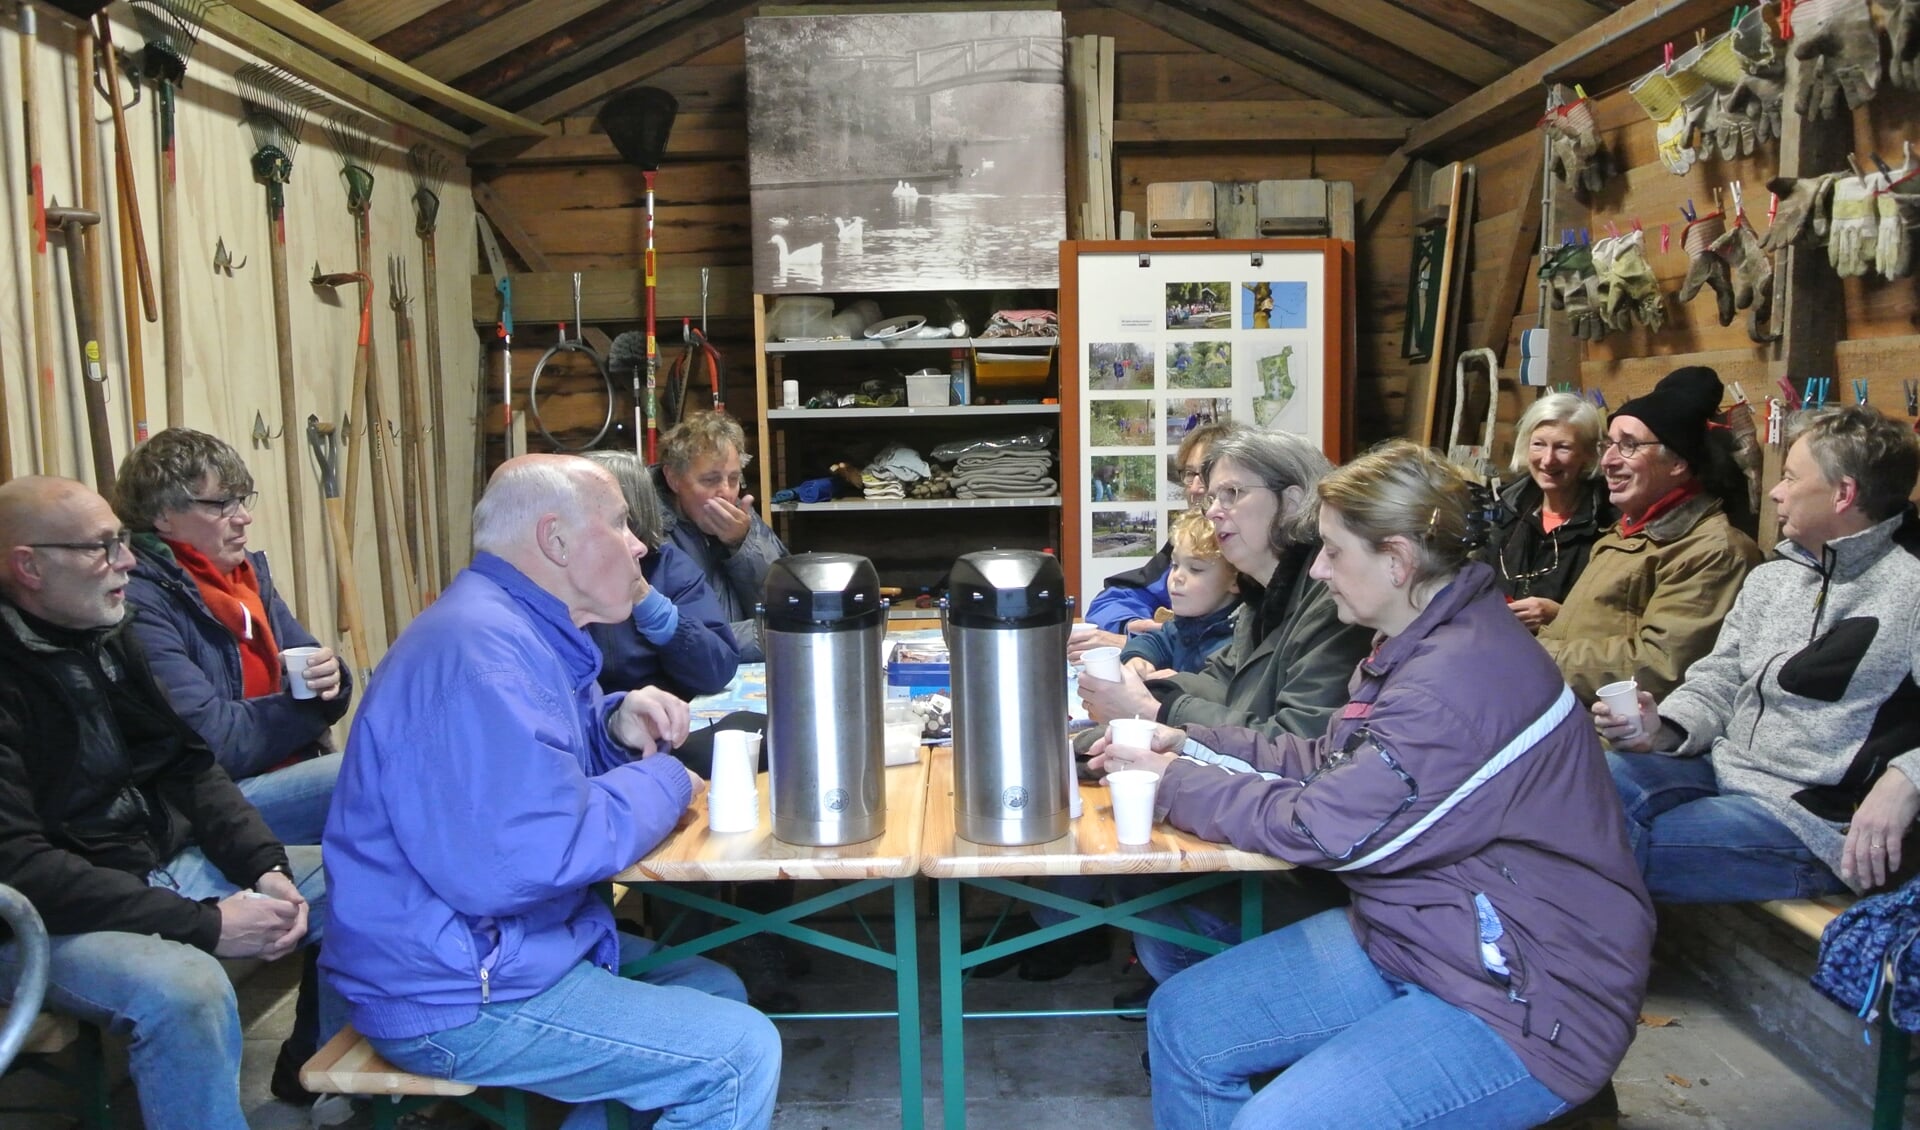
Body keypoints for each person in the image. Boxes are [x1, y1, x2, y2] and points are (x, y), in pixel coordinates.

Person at [1098, 441, 1653, 1128]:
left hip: (1524, 998)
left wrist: (1175, 782)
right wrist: (1193, 741)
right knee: (1186, 1023)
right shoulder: (1416, 644)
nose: (1320, 570)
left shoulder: (1457, 682)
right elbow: (1327, 758)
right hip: (1418, 938)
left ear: (1396, 560)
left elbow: (1324, 826)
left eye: (1334, 551)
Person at [321, 454, 780, 1129]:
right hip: (459, 990)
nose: (640, 544)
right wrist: (664, 777)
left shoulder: (518, 629)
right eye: (621, 524)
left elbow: (530, 771)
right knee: (737, 1054)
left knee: (713, 985)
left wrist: (611, 728)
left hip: (499, 948)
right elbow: (528, 855)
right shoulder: (480, 653)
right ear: (556, 541)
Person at [0, 476, 333, 1130]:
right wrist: (204, 922)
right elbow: (22, 868)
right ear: (28, 566)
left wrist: (266, 868)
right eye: (102, 548)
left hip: (150, 868)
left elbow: (188, 762)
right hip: (39, 921)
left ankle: (322, 1086)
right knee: (187, 990)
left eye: (120, 542)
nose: (127, 561)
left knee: (368, 880)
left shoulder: (106, 629)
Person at [1600, 406, 1920, 902]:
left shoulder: (1911, 586)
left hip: (1809, 815)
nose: (1775, 490)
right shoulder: (1775, 577)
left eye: (1790, 477)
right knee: (1579, 791)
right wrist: (1663, 727)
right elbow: (1720, 680)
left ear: (1844, 493)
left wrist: (1907, 778)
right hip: (1722, 767)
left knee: (1611, 845)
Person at [115, 427, 352, 848]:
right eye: (221, 504)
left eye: (241, 500)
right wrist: (312, 708)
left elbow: (316, 666)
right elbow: (214, 742)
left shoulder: (246, 578)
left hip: (284, 768)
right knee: (378, 775)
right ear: (163, 515)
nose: (243, 517)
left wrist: (334, 678)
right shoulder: (141, 599)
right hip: (211, 805)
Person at [1078, 428, 1373, 740]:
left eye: (1232, 493)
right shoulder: (1261, 591)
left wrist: (1152, 710)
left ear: (1292, 502)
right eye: (1212, 498)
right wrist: (1139, 691)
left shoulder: (1335, 600)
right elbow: (1221, 682)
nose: (1214, 512)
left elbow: (1297, 740)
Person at [1537, 366, 1763, 702]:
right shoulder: (1623, 534)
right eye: (1608, 445)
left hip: (1619, 736)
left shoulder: (1714, 551)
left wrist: (1536, 657)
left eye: (1629, 445)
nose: (1609, 461)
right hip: (1567, 710)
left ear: (1677, 463)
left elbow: (1656, 667)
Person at [583, 449, 741, 702]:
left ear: (631, 513)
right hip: (589, 724)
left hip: (663, 719)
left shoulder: (668, 567)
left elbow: (718, 669)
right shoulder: (559, 571)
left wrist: (648, 603)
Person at [1078, 421, 1235, 652]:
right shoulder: (1186, 544)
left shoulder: (1255, 557)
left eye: (1206, 474)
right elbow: (1114, 599)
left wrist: (1136, 645)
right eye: (1190, 474)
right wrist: (1129, 627)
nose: (1194, 488)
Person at [654, 411, 788, 663]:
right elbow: (686, 637)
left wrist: (742, 544)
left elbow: (783, 601)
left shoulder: (742, 517)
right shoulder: (650, 531)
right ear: (673, 479)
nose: (725, 492)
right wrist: (776, 636)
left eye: (734, 479)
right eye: (710, 480)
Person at [1479, 391, 1615, 632]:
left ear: (1588, 454)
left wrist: (1560, 615)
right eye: (1539, 444)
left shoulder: (1608, 525)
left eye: (1563, 447)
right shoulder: (1506, 511)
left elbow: (1616, 619)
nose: (1547, 460)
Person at [1119, 506, 1239, 678]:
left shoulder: (1236, 644)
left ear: (1235, 579)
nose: (1177, 577)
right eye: (1175, 565)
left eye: (1195, 569)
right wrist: (1138, 658)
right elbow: (1155, 641)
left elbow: (1216, 692)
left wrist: (1175, 685)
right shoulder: (1184, 625)